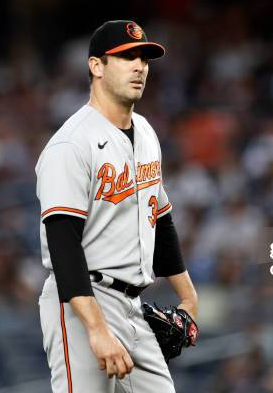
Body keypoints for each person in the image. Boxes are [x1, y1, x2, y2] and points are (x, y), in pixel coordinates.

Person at [36, 20, 198, 393]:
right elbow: (63, 245)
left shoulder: (145, 132)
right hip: (82, 302)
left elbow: (161, 217)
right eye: (126, 57)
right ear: (96, 66)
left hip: (134, 306)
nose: (139, 66)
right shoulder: (71, 145)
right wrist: (95, 329)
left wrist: (188, 296)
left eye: (144, 57)